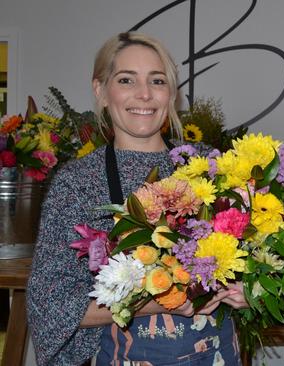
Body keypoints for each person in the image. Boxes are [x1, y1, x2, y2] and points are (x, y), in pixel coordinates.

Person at [27, 32, 247, 365]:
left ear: (171, 94)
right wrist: (152, 302)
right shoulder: (78, 184)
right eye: (127, 80)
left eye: (157, 81)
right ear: (101, 91)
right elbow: (50, 305)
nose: (144, 94)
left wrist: (250, 290)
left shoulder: (209, 166)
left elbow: (259, 258)